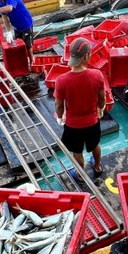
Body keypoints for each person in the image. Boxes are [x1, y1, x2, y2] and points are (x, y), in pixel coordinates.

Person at [54, 38, 106, 180]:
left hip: (73, 125)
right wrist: (101, 109)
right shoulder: (97, 75)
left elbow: (59, 105)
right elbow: (102, 98)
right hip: (92, 122)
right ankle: (97, 166)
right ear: (86, 56)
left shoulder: (61, 80)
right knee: (95, 144)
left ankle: (80, 174)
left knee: (77, 151)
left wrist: (59, 117)